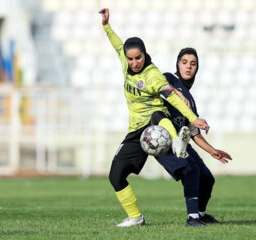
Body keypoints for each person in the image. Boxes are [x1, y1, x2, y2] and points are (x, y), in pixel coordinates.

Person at [99, 8, 210, 227]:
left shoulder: (153, 75)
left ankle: (177, 142)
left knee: (158, 114)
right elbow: (116, 43)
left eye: (138, 58)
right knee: (115, 175)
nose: (134, 63)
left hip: (158, 125)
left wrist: (193, 118)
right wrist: (106, 26)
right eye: (130, 59)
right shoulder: (125, 60)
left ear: (144, 54)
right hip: (136, 130)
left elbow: (173, 97)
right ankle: (136, 217)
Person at [157, 47, 232, 226]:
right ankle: (193, 218)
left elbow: (193, 131)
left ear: (197, 68)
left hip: (183, 142)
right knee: (191, 170)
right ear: (178, 64)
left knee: (207, 179)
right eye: (184, 63)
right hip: (165, 139)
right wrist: (176, 94)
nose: (188, 67)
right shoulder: (168, 78)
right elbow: (158, 89)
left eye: (193, 64)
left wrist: (212, 150)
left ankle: (201, 213)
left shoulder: (190, 98)